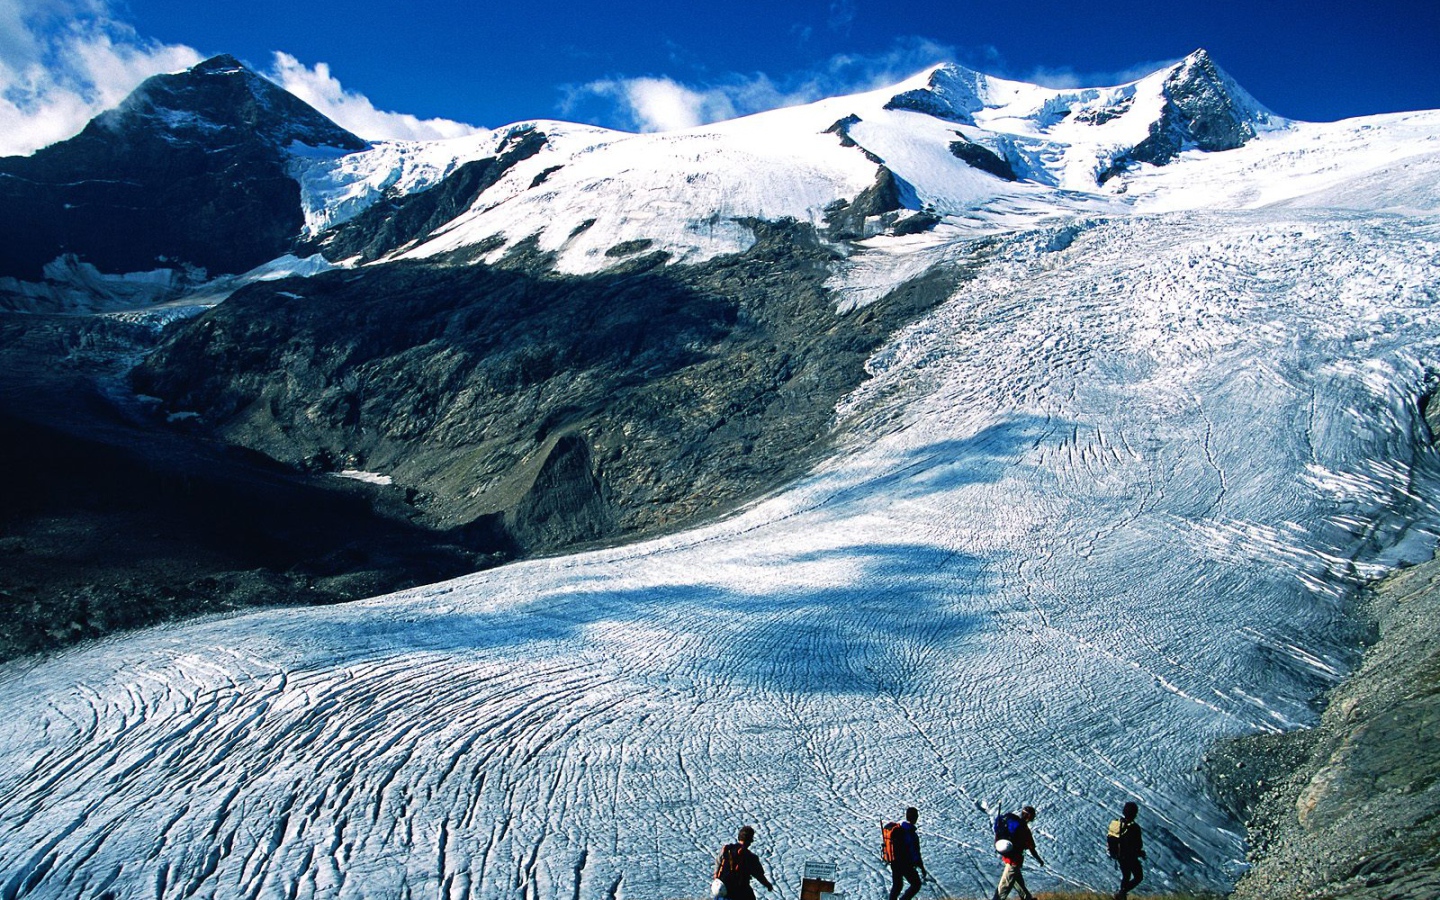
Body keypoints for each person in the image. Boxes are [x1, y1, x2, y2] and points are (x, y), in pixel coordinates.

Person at [993, 805, 1044, 900]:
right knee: (1003, 888)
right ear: (1029, 817)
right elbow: (1032, 848)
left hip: (1009, 859)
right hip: (1014, 861)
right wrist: (1039, 860)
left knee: (1016, 883)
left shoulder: (1011, 823)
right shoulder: (1024, 830)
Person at [713, 825, 775, 900]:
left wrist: (716, 874)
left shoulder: (726, 849)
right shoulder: (750, 857)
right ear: (750, 840)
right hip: (739, 892)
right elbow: (759, 875)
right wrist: (768, 885)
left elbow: (718, 862)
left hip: (721, 888)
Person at [887, 806, 928, 900]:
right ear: (915, 818)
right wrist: (921, 866)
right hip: (905, 864)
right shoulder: (911, 834)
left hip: (894, 862)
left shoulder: (899, 829)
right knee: (916, 884)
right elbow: (915, 852)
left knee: (897, 886)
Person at [1107, 801, 1145, 900]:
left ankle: (1121, 895)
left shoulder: (1117, 824)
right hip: (1130, 856)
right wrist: (1139, 853)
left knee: (1126, 875)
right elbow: (1138, 845)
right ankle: (1121, 893)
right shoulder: (1134, 827)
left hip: (1119, 856)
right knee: (1138, 877)